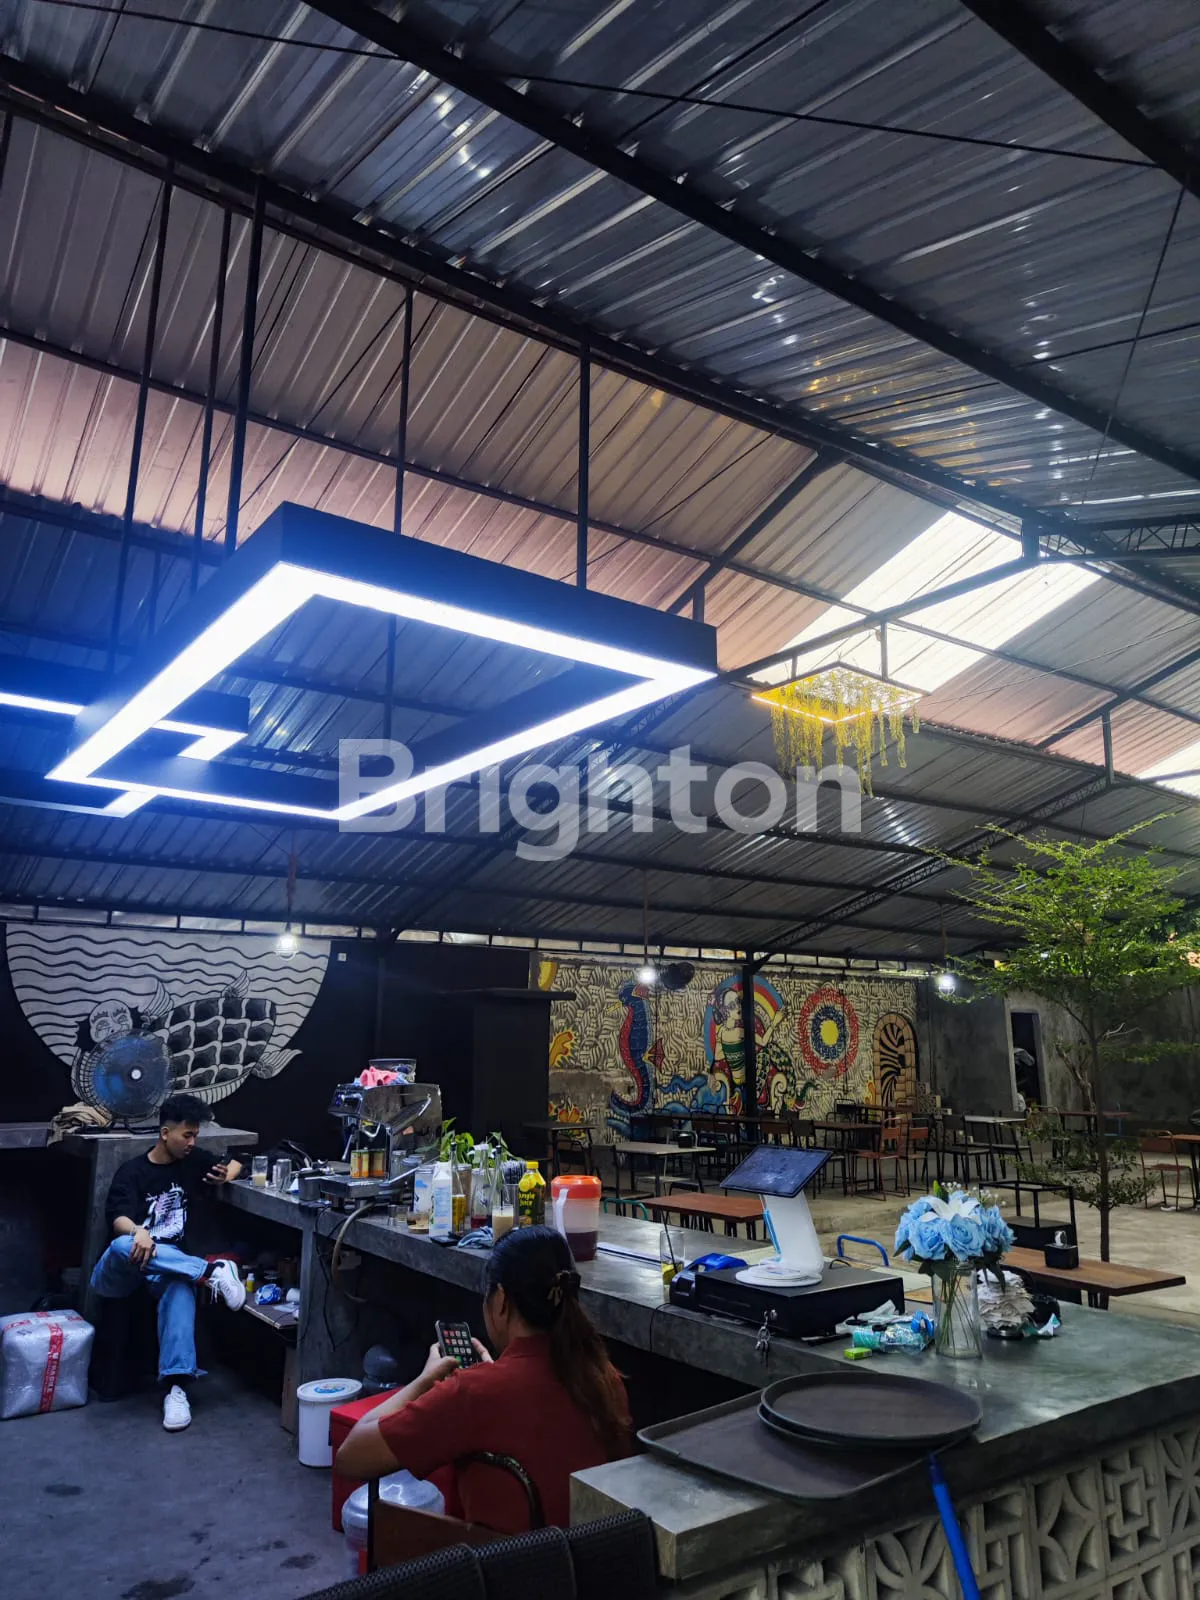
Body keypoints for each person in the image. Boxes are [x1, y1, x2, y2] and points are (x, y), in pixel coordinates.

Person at [335, 1226, 630, 1531]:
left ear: (500, 1300)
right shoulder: (605, 1380)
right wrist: (492, 1373)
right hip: (586, 1559)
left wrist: (424, 1380)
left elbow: (351, 1456)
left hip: (502, 1561)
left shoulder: (473, 1394)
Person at [90, 1092, 246, 1432]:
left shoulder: (191, 1162)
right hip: (124, 1270)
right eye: (187, 1135)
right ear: (165, 1133)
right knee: (121, 1244)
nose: (192, 1143)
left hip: (166, 1270)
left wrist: (227, 1174)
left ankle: (176, 1389)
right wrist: (138, 1232)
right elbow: (117, 1218)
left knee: (180, 1288)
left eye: (195, 1136)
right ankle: (210, 1273)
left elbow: (236, 1161)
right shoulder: (132, 1172)